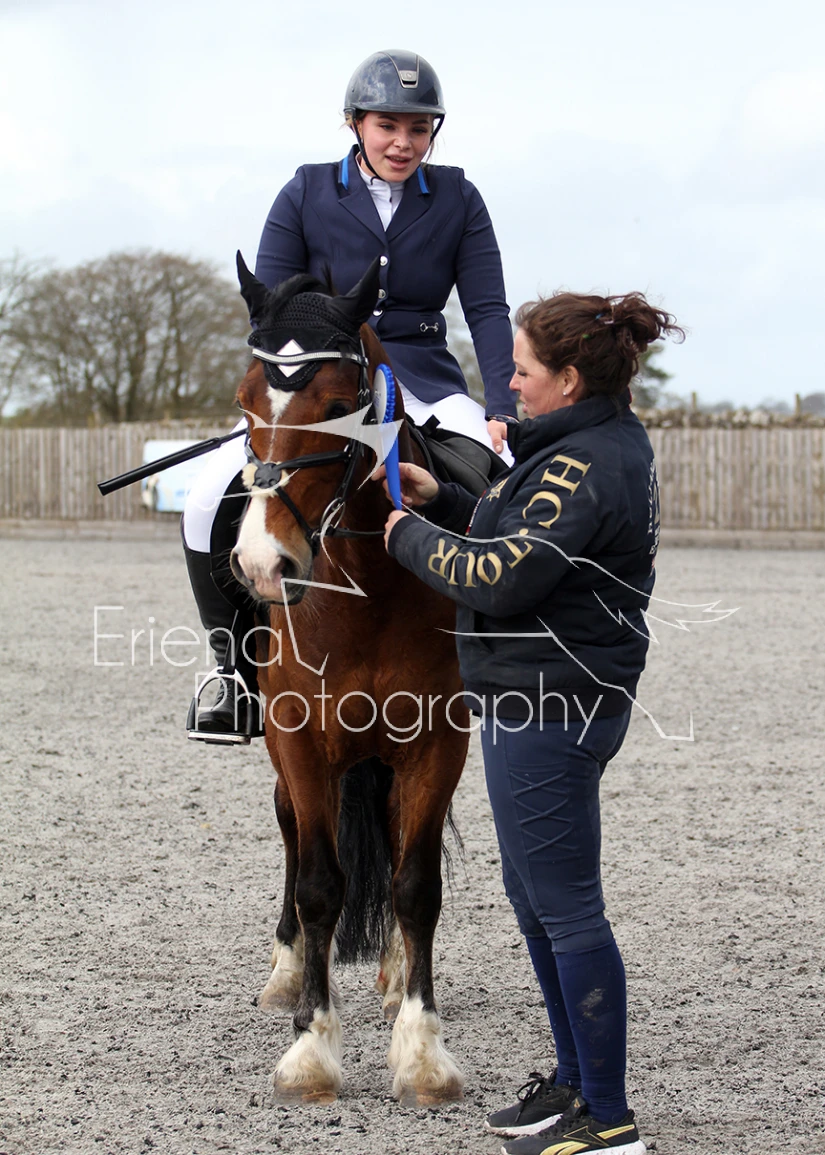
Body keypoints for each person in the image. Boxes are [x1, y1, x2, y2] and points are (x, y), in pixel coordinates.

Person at [381, 290, 684, 1155]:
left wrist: (402, 533)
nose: (508, 383)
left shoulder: (582, 463)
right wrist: (444, 498)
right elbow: (513, 530)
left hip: (554, 701)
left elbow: (504, 576)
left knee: (567, 907)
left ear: (568, 379)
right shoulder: (582, 445)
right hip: (535, 694)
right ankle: (573, 1081)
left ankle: (607, 1118)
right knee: (534, 900)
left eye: (520, 370)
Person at [182, 48, 517, 742]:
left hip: (424, 379)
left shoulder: (459, 198)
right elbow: (272, 313)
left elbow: (486, 308)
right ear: (354, 123)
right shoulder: (305, 191)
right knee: (206, 498)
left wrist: (501, 407)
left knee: (504, 484)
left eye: (419, 129)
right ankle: (231, 674)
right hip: (320, 386)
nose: (403, 143)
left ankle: (501, 659)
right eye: (388, 126)